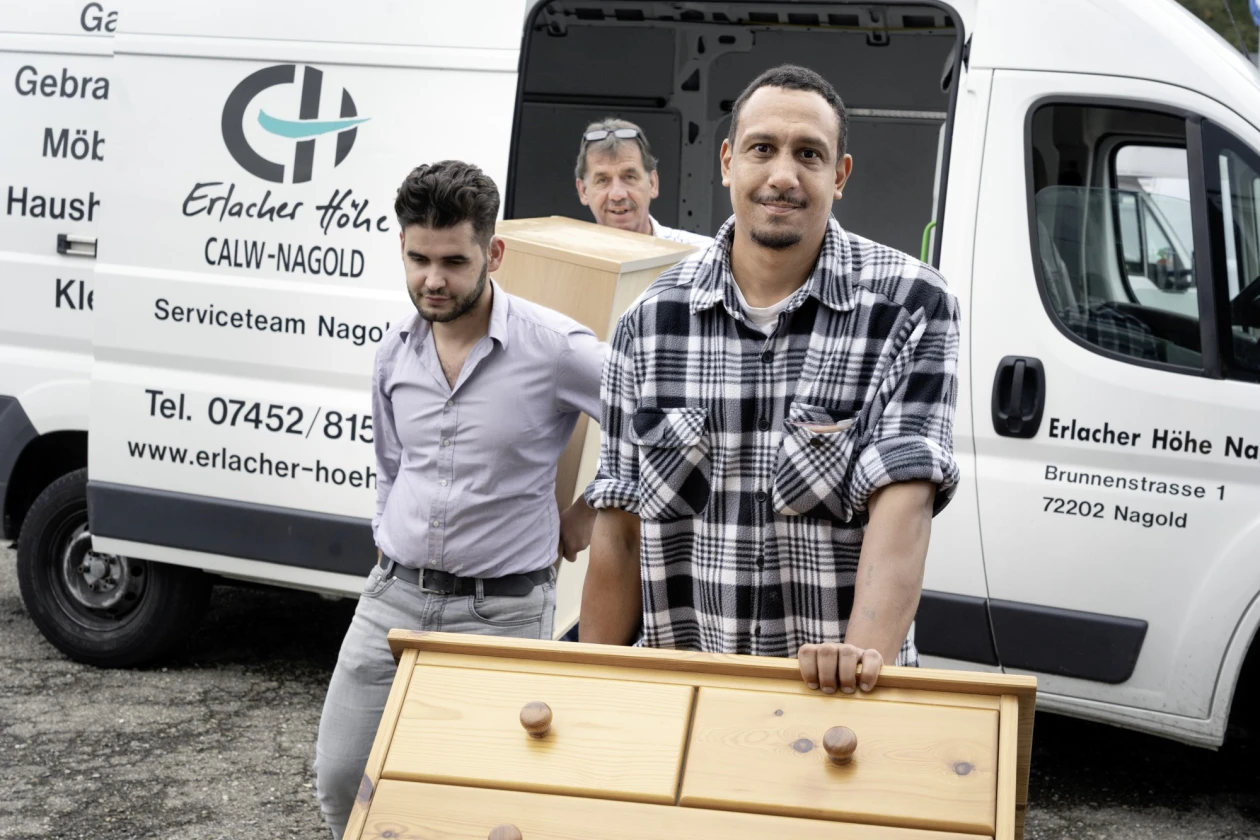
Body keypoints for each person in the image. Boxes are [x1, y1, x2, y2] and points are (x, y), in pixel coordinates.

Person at [579, 65, 961, 697]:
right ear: (728, 162)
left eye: (809, 154)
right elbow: (618, 530)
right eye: (763, 149)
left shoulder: (910, 307)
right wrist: (590, 690)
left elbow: (904, 506)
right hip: (686, 696)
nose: (783, 175)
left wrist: (858, 669)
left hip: (835, 695)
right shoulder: (646, 324)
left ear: (839, 175)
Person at [313, 160, 604, 838]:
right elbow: (391, 464)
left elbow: (654, 430)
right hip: (392, 599)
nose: (433, 280)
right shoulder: (394, 353)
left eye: (453, 261)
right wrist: (387, 538)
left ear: (492, 254)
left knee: (481, 808)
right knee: (344, 780)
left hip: (502, 611)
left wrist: (585, 517)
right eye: (418, 259)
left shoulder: (556, 349)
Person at [575, 117, 714, 248]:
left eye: (629, 177)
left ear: (653, 183)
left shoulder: (704, 254)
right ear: (583, 191)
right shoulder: (566, 258)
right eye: (603, 180)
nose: (617, 195)